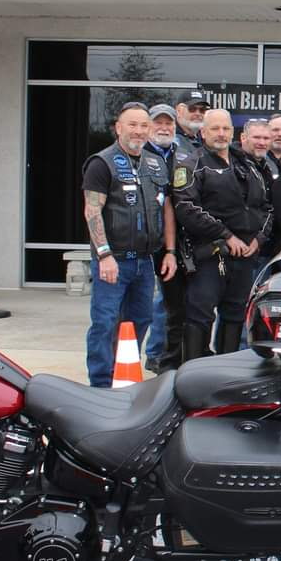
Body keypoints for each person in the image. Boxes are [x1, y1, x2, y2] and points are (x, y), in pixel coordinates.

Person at [82, 102, 176, 387]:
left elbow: (166, 208)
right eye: (132, 125)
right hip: (114, 260)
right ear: (118, 128)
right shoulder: (101, 162)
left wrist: (169, 251)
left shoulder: (154, 162)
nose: (138, 130)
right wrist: (104, 254)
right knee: (105, 322)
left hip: (145, 261)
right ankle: (100, 383)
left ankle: (124, 373)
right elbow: (92, 211)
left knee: (141, 319)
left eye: (143, 125)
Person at [172, 108, 273, 363]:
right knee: (200, 315)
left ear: (233, 133)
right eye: (215, 129)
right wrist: (226, 236)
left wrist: (258, 240)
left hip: (245, 257)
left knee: (235, 314)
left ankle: (225, 374)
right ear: (203, 132)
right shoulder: (192, 164)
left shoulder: (248, 165)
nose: (220, 134)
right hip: (210, 254)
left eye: (225, 128)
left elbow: (267, 208)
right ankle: (192, 372)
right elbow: (186, 207)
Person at [144, 102, 180, 373]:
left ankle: (167, 351)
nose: (164, 128)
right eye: (159, 123)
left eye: (169, 123)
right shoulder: (139, 155)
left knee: (171, 300)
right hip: (149, 241)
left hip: (175, 240)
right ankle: (154, 353)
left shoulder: (181, 153)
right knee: (157, 302)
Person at [173, 89, 209, 155]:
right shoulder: (168, 137)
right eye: (192, 109)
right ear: (179, 110)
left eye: (202, 110)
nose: (198, 114)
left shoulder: (206, 138)